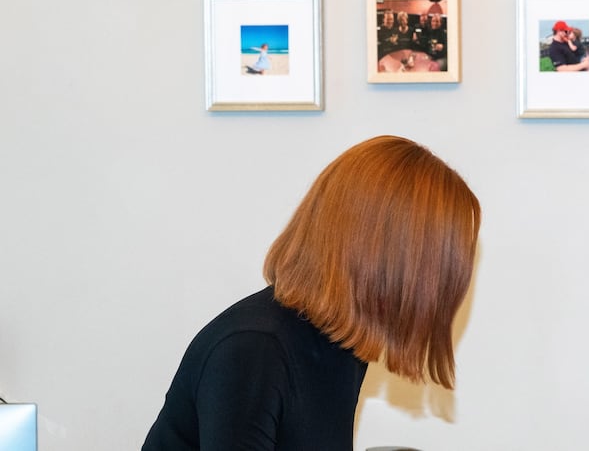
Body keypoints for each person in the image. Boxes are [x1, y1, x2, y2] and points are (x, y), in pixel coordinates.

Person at [142, 135, 482, 451]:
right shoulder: (254, 350)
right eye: (439, 263)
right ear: (387, 256)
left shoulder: (343, 342)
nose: (445, 285)